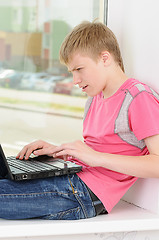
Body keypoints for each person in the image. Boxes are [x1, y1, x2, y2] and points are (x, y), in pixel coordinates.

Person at [1, 21, 159, 220]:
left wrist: (96, 157)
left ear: (104, 58)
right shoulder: (95, 98)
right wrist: (58, 152)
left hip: (84, 194)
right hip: (74, 178)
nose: (75, 80)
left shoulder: (138, 98)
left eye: (79, 69)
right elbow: (97, 150)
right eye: (71, 72)